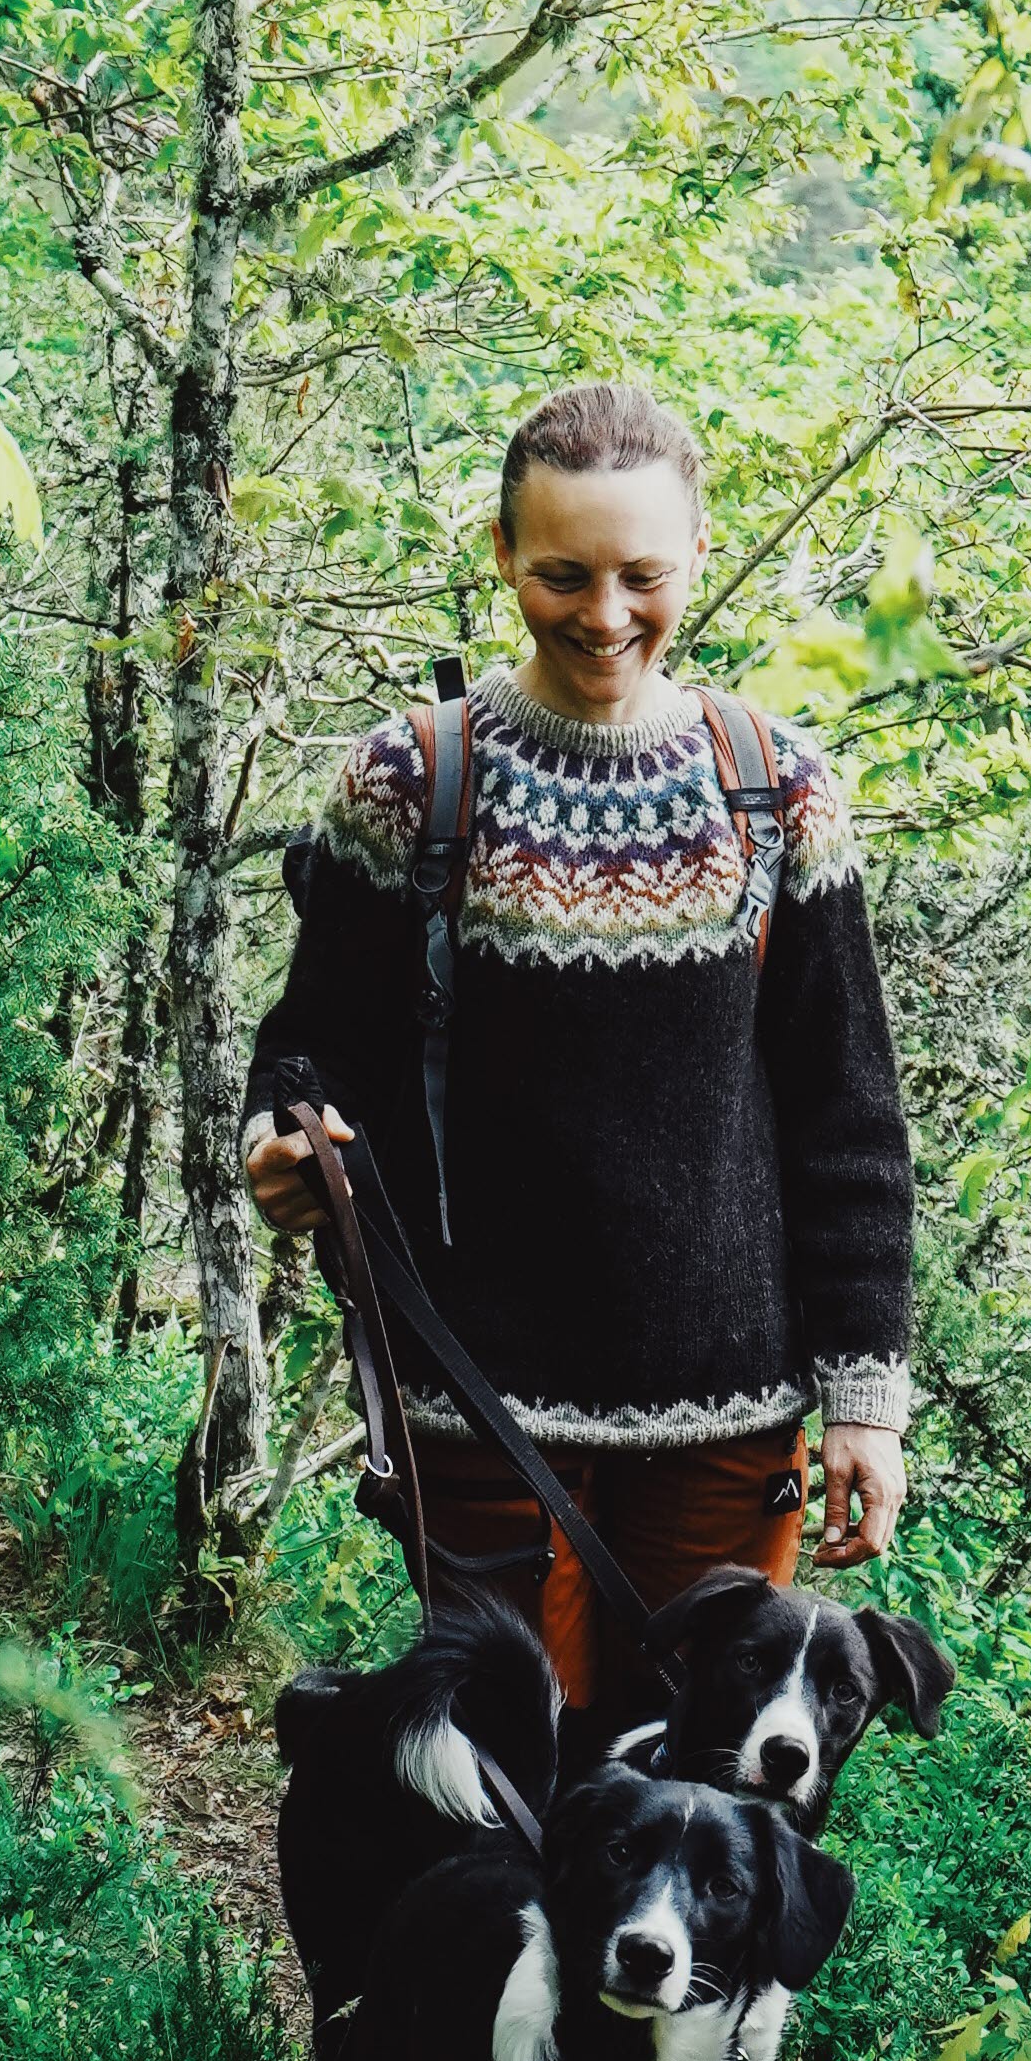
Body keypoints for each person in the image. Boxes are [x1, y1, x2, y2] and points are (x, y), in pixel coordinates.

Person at [244, 379, 915, 1719]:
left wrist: (864, 1402)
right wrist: (285, 1136)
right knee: (509, 1784)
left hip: (730, 1420)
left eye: (640, 577)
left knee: (693, 1794)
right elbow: (317, 1046)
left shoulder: (773, 790)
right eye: (562, 574)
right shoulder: (412, 781)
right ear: (503, 555)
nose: (605, 616)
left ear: (695, 561)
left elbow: (847, 1116)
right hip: (479, 1408)